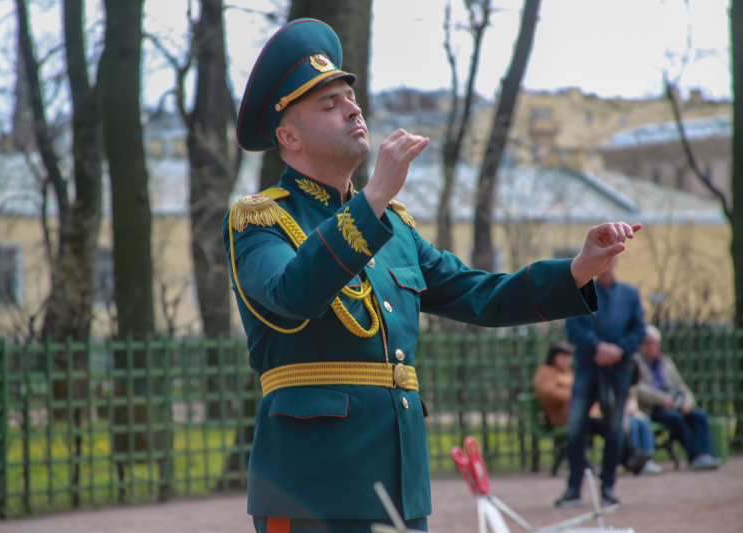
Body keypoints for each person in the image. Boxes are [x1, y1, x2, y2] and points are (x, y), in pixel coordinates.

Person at [223, 18, 642, 533]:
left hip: (401, 478)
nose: (353, 109)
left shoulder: (393, 227)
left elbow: (479, 295)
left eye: (349, 98)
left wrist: (577, 270)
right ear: (287, 135)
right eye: (329, 105)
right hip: (312, 485)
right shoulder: (260, 220)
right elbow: (293, 294)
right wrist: (373, 200)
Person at [558, 258, 646, 508]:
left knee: (614, 429)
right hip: (587, 368)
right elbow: (573, 330)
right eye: (602, 263)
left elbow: (639, 330)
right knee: (575, 426)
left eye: (610, 263)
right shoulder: (580, 292)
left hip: (618, 371)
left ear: (616, 263)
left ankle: (608, 487)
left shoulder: (629, 294)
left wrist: (617, 349)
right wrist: (599, 347)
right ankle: (574, 487)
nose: (606, 267)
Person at [534, 341, 650, 476]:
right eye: (563, 357)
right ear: (554, 357)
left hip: (581, 415)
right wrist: (575, 396)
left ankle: (630, 458)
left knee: (611, 424)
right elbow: (548, 393)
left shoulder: (568, 373)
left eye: (569, 357)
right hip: (563, 417)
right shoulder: (545, 372)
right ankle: (630, 458)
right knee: (605, 425)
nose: (567, 361)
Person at [634, 324, 722, 471]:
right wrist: (662, 399)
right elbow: (638, 389)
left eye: (654, 343)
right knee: (676, 418)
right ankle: (694, 456)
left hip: (676, 404)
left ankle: (705, 454)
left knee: (699, 416)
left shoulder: (666, 362)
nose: (651, 347)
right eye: (647, 343)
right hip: (653, 408)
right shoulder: (636, 362)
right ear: (641, 345)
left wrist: (688, 401)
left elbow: (681, 385)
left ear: (659, 345)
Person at [623, 365, 662, 475]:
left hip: (631, 412)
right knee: (633, 425)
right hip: (620, 414)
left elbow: (632, 401)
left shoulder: (631, 382)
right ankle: (634, 459)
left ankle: (648, 460)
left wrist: (632, 411)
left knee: (644, 422)